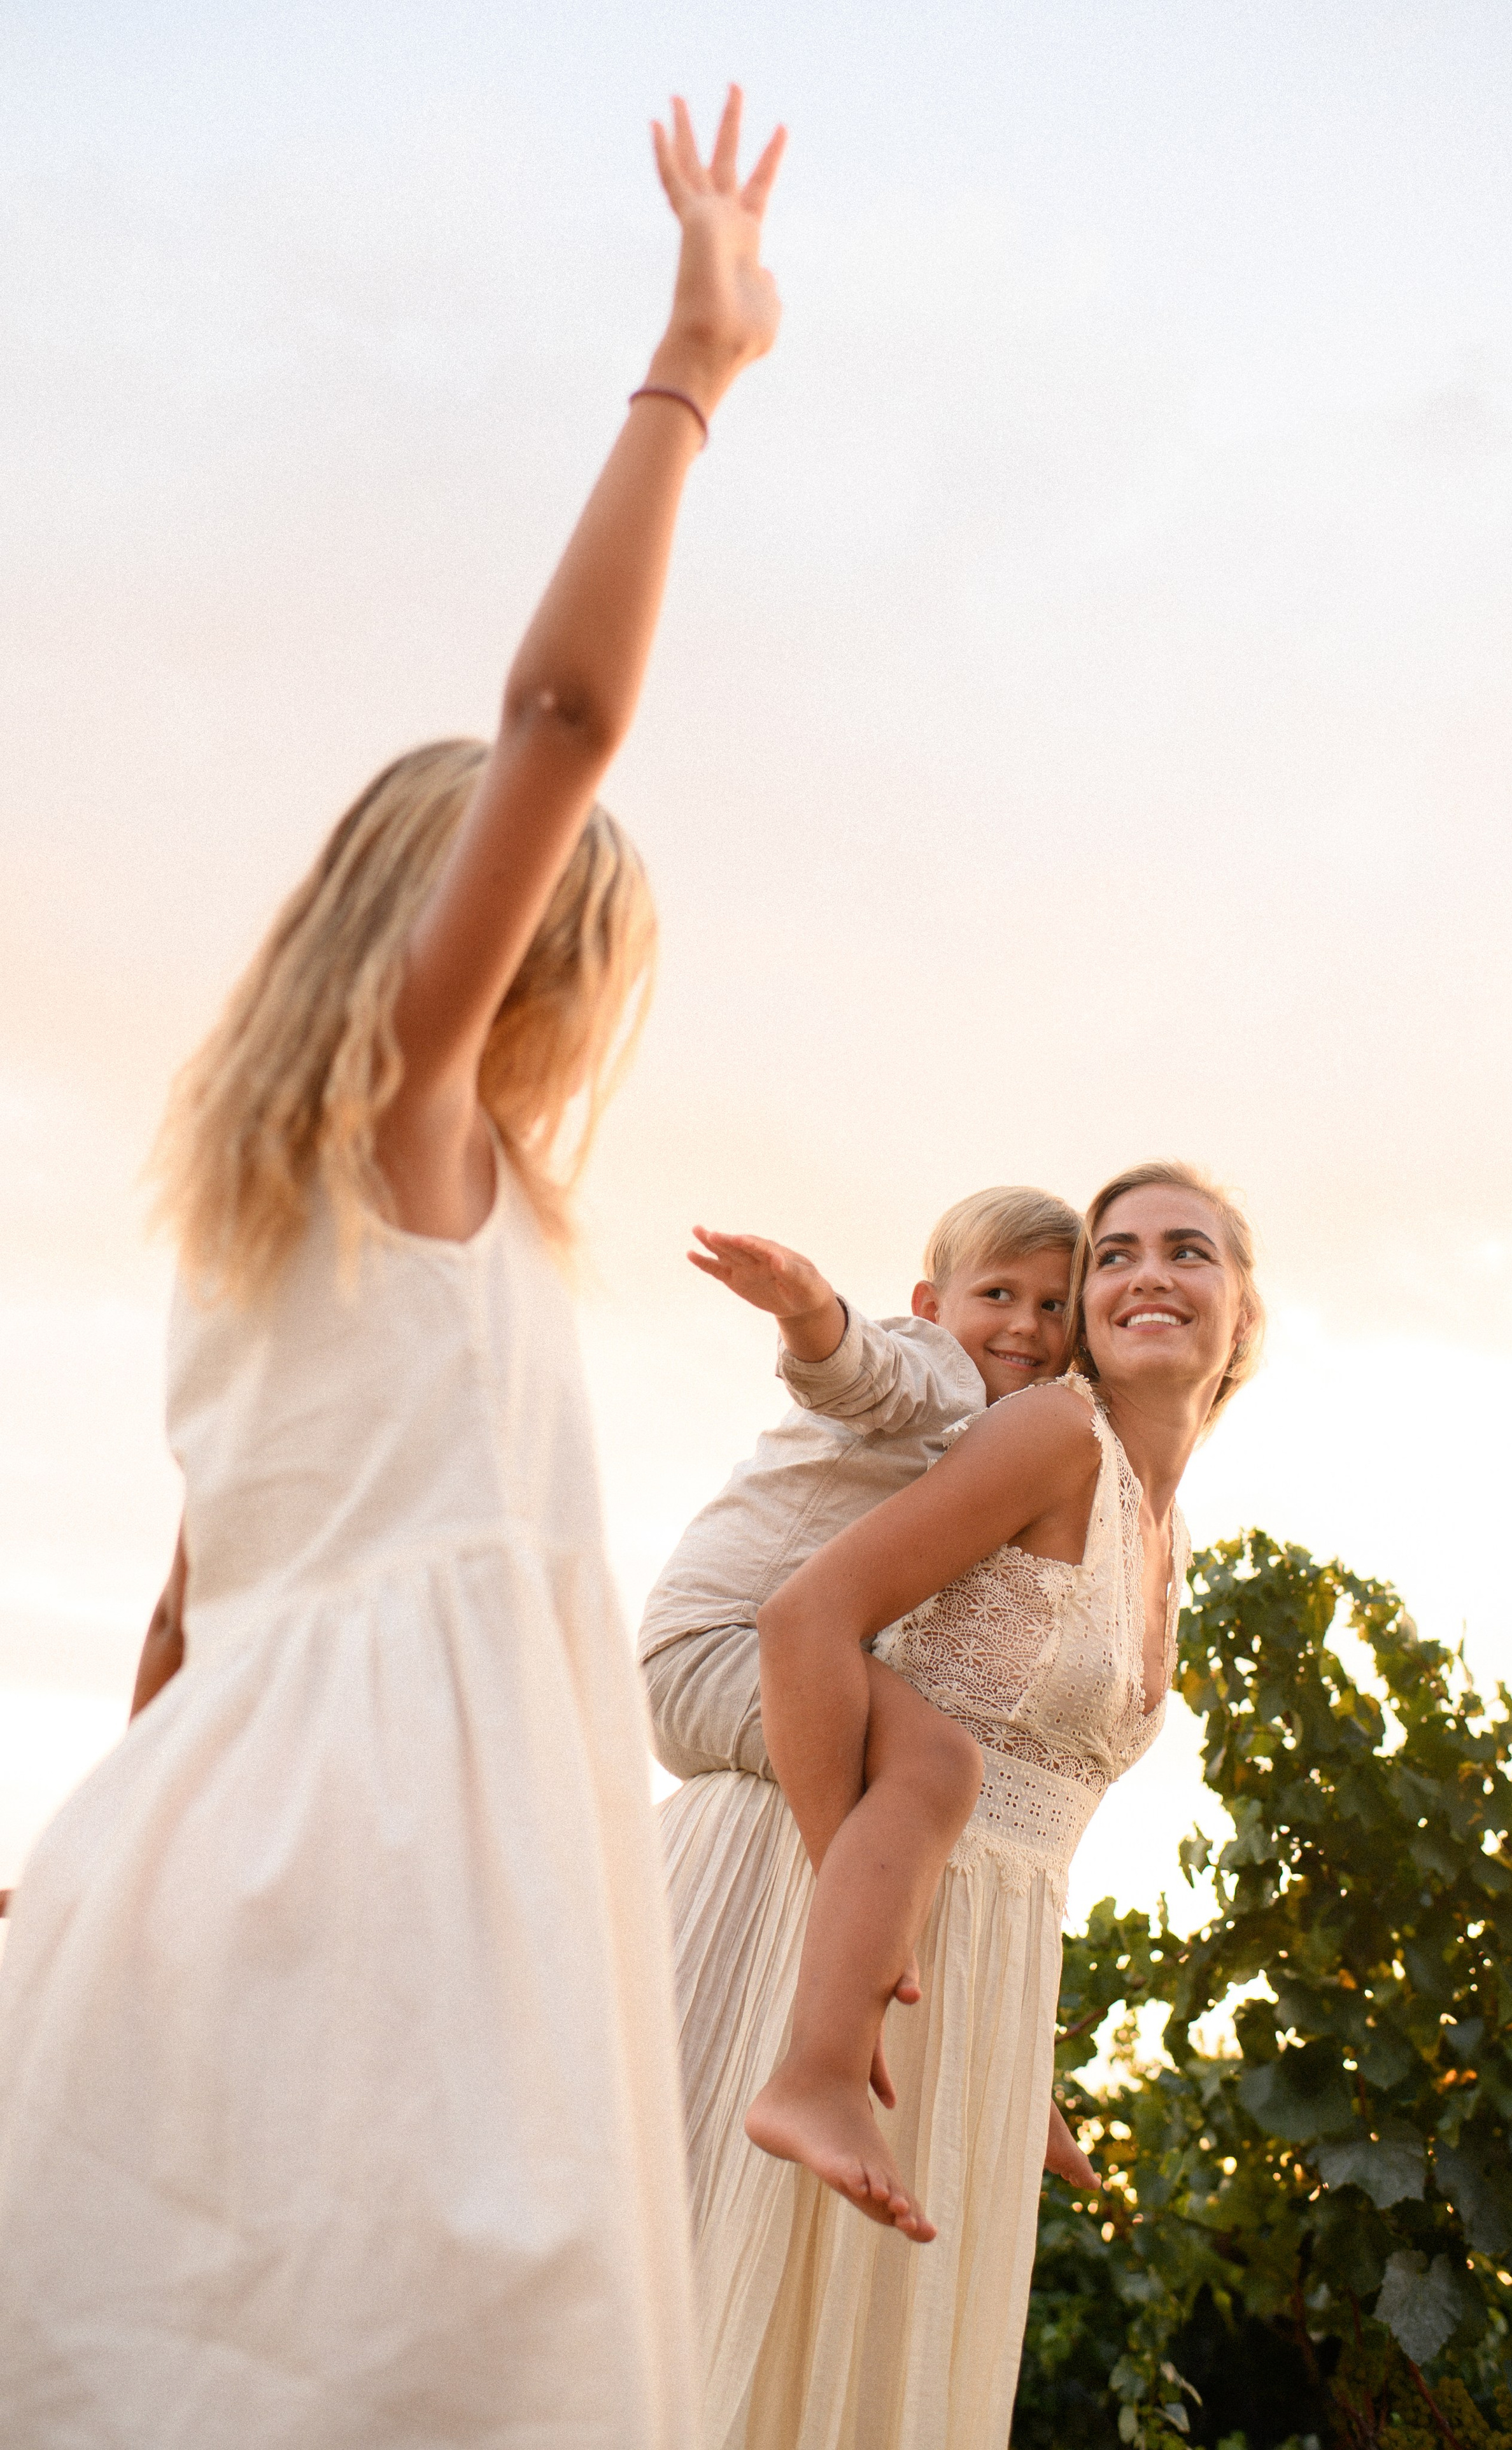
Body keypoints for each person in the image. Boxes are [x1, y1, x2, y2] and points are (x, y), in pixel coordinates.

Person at [0, 89, 784, 2449]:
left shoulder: (261, 1231)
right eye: (572, 960)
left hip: (198, 1859)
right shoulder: (418, 1135)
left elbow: (172, 1619)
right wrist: (693, 373)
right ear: (496, 962)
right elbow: (565, 713)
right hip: (395, 1895)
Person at [663, 1160, 1264, 2449]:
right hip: (824, 1910)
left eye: (1185, 1251)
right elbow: (803, 1616)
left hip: (959, 1969)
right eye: (1114, 1255)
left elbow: (1046, 1801)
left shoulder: (1165, 1527)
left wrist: (1023, 2059)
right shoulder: (1048, 1434)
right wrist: (865, 1931)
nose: (1143, 1273)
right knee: (730, 2351)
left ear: (1242, 1310)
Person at [642, 1189, 1098, 2214]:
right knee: (935, 1774)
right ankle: (814, 2079)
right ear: (930, 1303)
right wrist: (807, 1307)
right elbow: (855, 1372)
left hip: (765, 1657)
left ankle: (1013, 2081)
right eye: (998, 1294)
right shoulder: (933, 1370)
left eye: (1055, 1307)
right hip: (723, 1645)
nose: (1025, 1325)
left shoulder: (1019, 1435)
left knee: (927, 1828)